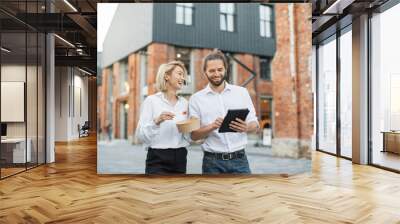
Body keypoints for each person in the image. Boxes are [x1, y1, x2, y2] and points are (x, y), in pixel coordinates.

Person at [189, 50, 259, 174]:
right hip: (212, 163)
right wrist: (212, 126)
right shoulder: (196, 99)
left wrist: (246, 127)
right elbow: (194, 136)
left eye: (220, 69)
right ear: (205, 72)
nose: (216, 74)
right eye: (211, 71)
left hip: (240, 161)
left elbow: (255, 125)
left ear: (225, 69)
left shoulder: (241, 92)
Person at [135, 61, 190, 174]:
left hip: (180, 157)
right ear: (166, 76)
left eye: (183, 75)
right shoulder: (151, 101)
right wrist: (157, 121)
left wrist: (192, 127)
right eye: (179, 74)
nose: (182, 78)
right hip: (157, 158)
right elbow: (140, 136)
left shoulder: (185, 103)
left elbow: (188, 136)